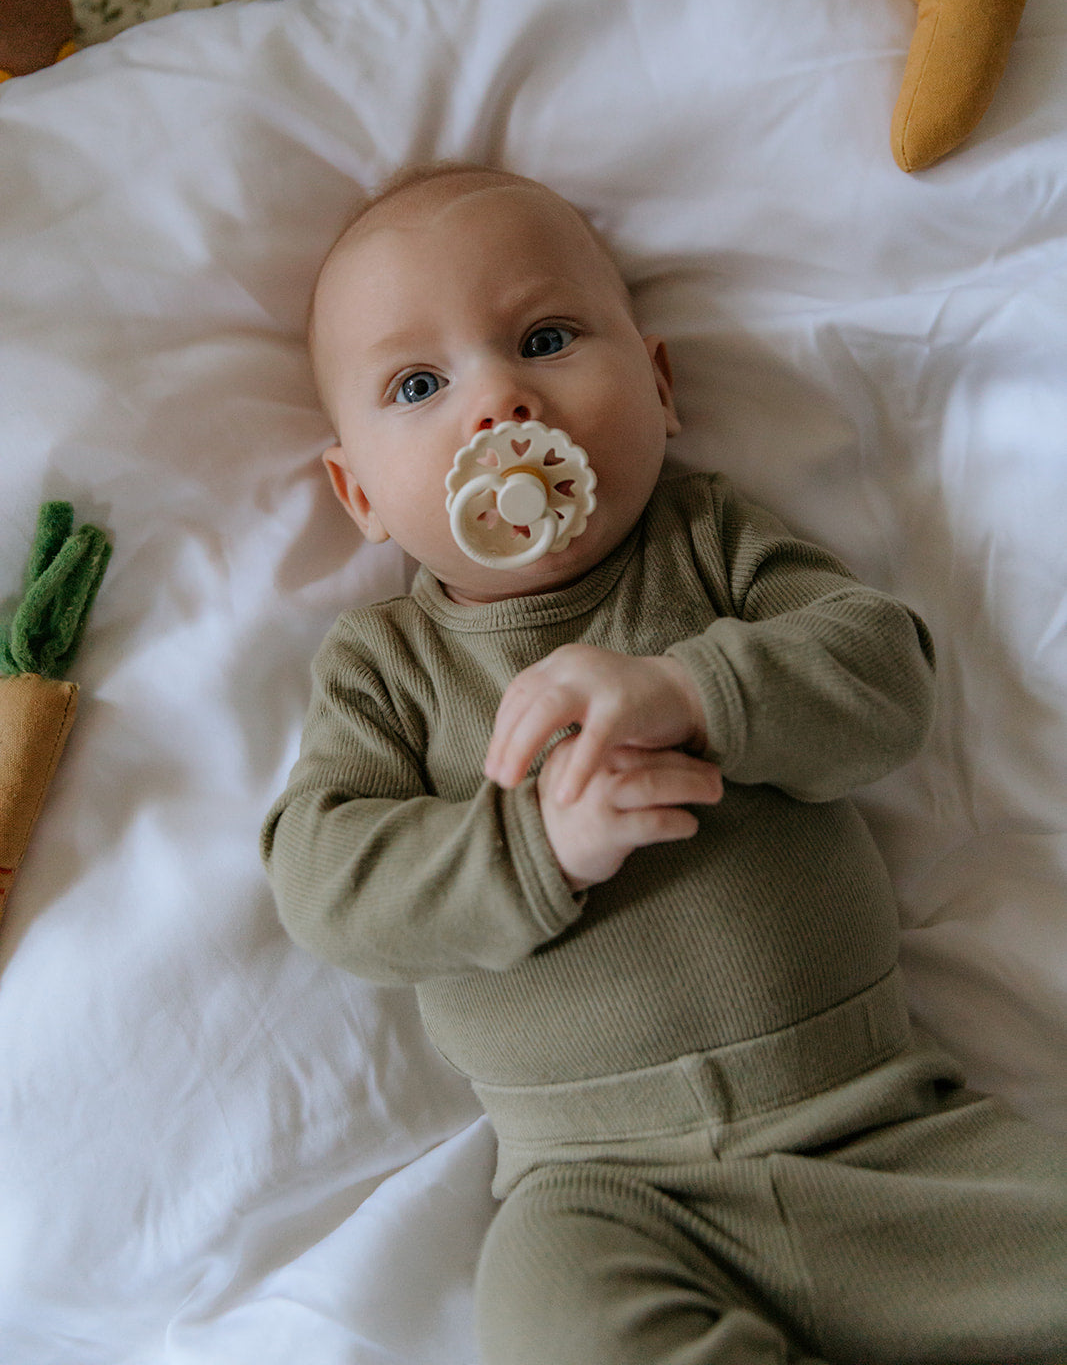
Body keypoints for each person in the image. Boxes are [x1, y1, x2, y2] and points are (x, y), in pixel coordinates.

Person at [262, 161, 1067, 1364]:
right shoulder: (388, 665)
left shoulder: (706, 543)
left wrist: (694, 692)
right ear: (358, 491)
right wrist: (531, 843)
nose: (499, 401)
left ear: (658, 384)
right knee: (553, 1327)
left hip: (885, 1132)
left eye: (543, 338)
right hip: (601, 1194)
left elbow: (883, 675)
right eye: (418, 384)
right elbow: (324, 883)